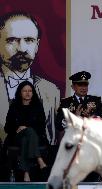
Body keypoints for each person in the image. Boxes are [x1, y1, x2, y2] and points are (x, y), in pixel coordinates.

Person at [0, 11, 60, 145]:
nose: (21, 48)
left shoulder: (51, 90)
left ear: (37, 45)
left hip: (39, 159)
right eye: (12, 40)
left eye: (29, 40)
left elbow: (52, 136)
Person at [4, 81, 48, 182]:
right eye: (25, 91)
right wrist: (17, 128)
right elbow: (7, 127)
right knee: (26, 134)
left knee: (27, 137)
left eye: (30, 91)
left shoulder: (38, 106)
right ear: (20, 92)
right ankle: (39, 159)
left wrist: (26, 128)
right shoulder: (14, 106)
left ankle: (26, 173)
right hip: (16, 137)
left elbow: (42, 126)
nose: (27, 93)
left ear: (33, 93)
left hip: (35, 137)